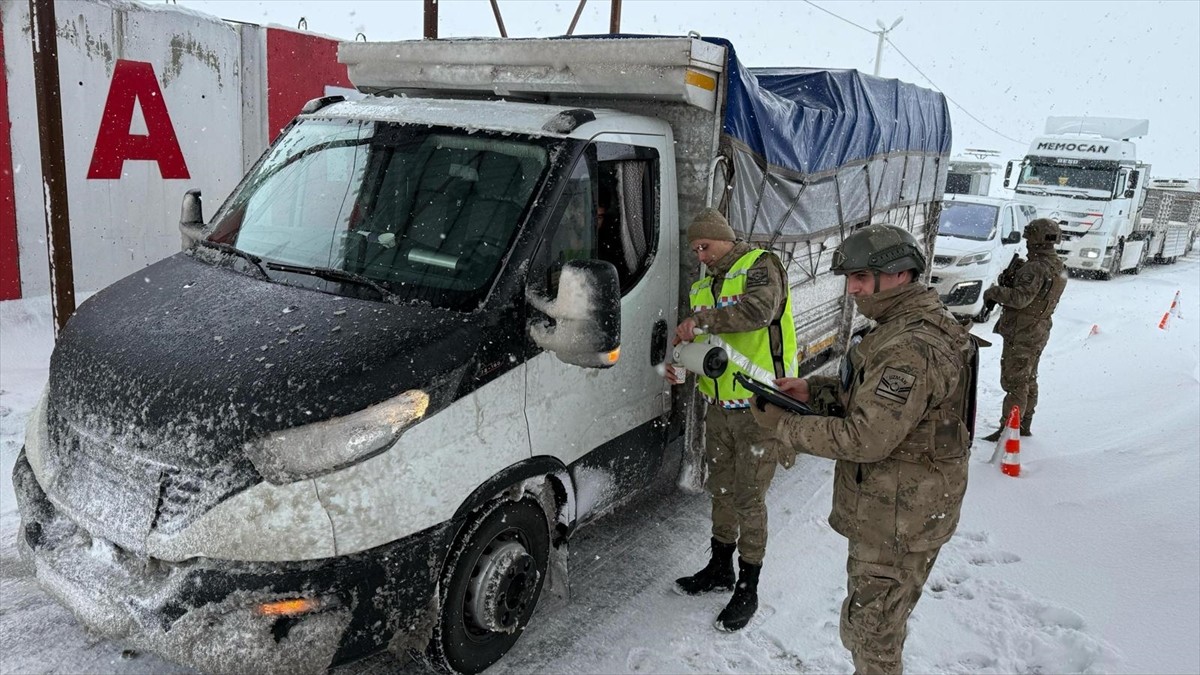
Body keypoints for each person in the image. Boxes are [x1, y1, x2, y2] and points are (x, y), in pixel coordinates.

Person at [748, 224, 973, 674]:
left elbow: (864, 438)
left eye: (861, 278)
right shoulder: (903, 327)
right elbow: (883, 403)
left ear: (899, 275)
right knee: (874, 627)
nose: (852, 289)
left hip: (899, 518)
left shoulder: (911, 346)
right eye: (849, 278)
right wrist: (816, 390)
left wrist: (787, 425)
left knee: (872, 638)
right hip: (901, 509)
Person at [669, 207, 797, 632]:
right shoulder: (702, 285)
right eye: (694, 249)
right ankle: (720, 566)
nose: (700, 255)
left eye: (704, 246)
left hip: (760, 407)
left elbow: (758, 313)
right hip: (718, 407)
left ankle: (749, 585)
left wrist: (698, 322)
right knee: (720, 488)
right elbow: (707, 345)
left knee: (749, 497)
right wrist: (681, 364)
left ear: (723, 238)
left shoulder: (759, 266)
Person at [979, 218, 1067, 441]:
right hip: (1039, 328)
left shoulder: (1035, 267)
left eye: (1029, 238)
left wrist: (995, 292)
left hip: (1023, 331)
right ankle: (1024, 423)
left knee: (1016, 380)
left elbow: (1020, 299)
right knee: (1029, 377)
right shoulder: (1057, 265)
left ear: (1036, 239)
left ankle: (1009, 430)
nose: (1027, 243)